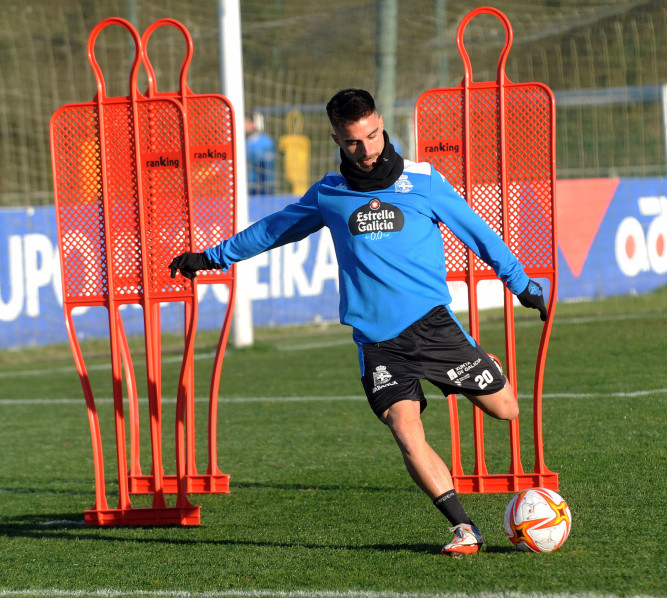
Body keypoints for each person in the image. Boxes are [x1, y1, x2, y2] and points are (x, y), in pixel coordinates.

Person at [169, 88, 548, 556]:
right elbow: (271, 230)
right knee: (406, 432)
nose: (366, 150)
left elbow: (480, 234)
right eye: (353, 142)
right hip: (377, 342)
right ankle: (464, 528)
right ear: (336, 139)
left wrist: (522, 284)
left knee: (506, 410)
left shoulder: (424, 182)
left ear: (382, 123)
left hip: (433, 328)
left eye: (372, 136)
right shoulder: (329, 194)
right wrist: (211, 257)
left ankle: (481, 363)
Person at [245, 112, 276, 196]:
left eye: (246, 122)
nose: (244, 125)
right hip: (248, 186)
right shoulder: (244, 142)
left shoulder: (267, 142)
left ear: (254, 124)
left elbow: (265, 162)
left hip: (264, 187)